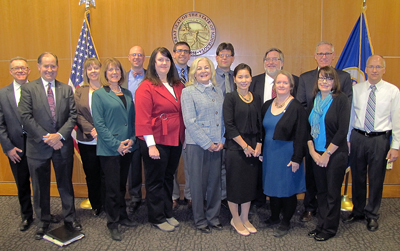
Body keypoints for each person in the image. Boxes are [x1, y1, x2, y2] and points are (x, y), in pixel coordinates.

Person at [18, 52, 81, 240]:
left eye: (53, 66)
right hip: (38, 147)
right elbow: (25, 116)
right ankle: (43, 221)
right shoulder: (29, 89)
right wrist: (47, 137)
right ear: (38, 67)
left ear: (57, 67)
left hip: (62, 145)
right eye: (46, 66)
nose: (49, 69)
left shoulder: (65, 89)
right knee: (39, 187)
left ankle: (70, 218)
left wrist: (59, 135)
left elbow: (72, 115)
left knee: (65, 185)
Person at [296, 41, 353, 222]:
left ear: (333, 56)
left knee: (330, 186)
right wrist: (310, 137)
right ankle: (311, 208)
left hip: (333, 142)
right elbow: (302, 107)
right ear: (315, 56)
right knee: (313, 177)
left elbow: (345, 111)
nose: (323, 57)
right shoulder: (305, 78)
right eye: (320, 54)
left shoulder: (344, 78)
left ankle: (328, 220)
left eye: (327, 54)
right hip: (311, 138)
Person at [344, 55, 400, 232]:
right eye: (371, 67)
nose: (374, 70)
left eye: (378, 67)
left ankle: (372, 214)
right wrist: (348, 138)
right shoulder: (357, 89)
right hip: (358, 137)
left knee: (376, 179)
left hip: (379, 140)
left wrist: (395, 145)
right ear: (365, 69)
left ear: (384, 69)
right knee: (358, 176)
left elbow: (397, 119)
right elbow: (351, 116)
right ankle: (358, 211)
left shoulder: (393, 91)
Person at [135, 47, 185, 232]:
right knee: (155, 180)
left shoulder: (178, 85)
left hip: (175, 139)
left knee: (167, 178)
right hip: (155, 141)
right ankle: (156, 217)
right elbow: (143, 117)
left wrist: (184, 137)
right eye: (159, 60)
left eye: (166, 60)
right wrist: (151, 145)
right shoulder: (146, 86)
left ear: (171, 63)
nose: (164, 63)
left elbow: (183, 113)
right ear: (153, 64)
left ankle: (166, 213)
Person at [92, 58, 137, 241]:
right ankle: (112, 223)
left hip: (126, 148)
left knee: (121, 186)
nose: (114, 72)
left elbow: (132, 121)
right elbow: (99, 124)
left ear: (121, 73)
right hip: (110, 149)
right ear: (105, 73)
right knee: (111, 188)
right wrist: (116, 144)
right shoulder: (99, 94)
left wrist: (131, 141)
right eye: (110, 70)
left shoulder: (126, 93)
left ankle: (123, 216)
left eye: (117, 69)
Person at [250, 48, 299, 210]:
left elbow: (300, 128)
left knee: (286, 183)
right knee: (267, 179)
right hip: (265, 144)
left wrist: (298, 156)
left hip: (287, 146)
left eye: (275, 59)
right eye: (267, 59)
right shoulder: (254, 82)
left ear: (282, 63)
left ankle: (285, 217)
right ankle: (266, 208)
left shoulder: (296, 85)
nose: (271, 62)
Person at [181, 57, 225, 234]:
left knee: (215, 183)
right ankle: (200, 220)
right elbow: (189, 122)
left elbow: (222, 119)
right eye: (199, 69)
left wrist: (221, 140)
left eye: (206, 67)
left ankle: (213, 218)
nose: (203, 71)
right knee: (197, 185)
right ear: (194, 73)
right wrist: (207, 143)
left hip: (217, 145)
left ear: (211, 70)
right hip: (197, 145)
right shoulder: (188, 92)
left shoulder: (218, 91)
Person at [261, 70, 307, 237]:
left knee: (287, 188)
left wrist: (297, 158)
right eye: (278, 82)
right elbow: (262, 130)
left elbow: (302, 135)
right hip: (270, 154)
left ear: (291, 86)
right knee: (273, 186)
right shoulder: (267, 105)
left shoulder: (296, 107)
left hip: (287, 154)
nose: (281, 85)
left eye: (285, 83)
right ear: (274, 86)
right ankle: (274, 217)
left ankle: (286, 221)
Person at [306, 66, 350, 241]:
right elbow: (308, 129)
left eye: (328, 78)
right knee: (321, 192)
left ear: (334, 82)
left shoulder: (341, 100)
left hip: (335, 154)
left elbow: (342, 131)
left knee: (332, 192)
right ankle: (321, 225)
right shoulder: (314, 100)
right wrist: (313, 152)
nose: (324, 81)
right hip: (317, 153)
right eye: (321, 78)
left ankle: (330, 229)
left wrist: (327, 154)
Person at [223, 63, 262, 236]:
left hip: (253, 148)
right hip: (236, 148)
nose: (244, 80)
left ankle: (245, 218)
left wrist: (258, 144)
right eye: (240, 77)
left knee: (249, 185)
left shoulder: (257, 97)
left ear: (251, 79)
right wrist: (244, 146)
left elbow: (260, 125)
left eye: (247, 76)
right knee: (235, 185)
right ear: (234, 79)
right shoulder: (230, 98)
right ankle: (235, 219)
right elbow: (229, 126)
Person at [0, 57, 34, 231]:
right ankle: (27, 216)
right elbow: (0, 124)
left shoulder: (37, 90)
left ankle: (45, 214)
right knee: (22, 183)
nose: (20, 71)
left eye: (23, 68)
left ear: (29, 70)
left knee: (39, 182)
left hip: (37, 146)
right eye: (16, 68)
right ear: (10, 71)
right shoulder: (2, 94)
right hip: (15, 147)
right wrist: (8, 147)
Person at [74, 58, 104, 217]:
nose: (93, 71)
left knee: (106, 173)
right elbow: (76, 114)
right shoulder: (80, 91)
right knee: (91, 173)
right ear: (85, 72)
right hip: (87, 140)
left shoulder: (108, 89)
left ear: (101, 69)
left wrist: (102, 132)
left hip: (106, 140)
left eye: (96, 67)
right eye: (89, 68)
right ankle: (96, 203)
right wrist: (92, 130)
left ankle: (107, 202)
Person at [121, 45, 146, 214]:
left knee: (152, 163)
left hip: (148, 125)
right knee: (133, 164)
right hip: (129, 126)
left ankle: (153, 197)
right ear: (129, 58)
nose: (136, 57)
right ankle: (135, 197)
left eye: (140, 54)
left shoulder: (151, 77)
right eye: (133, 55)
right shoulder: (121, 79)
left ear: (144, 58)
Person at [172, 41, 192, 209]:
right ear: (174, 53)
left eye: (186, 51)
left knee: (190, 162)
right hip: (173, 124)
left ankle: (191, 195)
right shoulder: (166, 74)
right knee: (171, 163)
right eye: (179, 51)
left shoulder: (196, 73)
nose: (182, 54)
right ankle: (173, 195)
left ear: (190, 55)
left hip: (192, 125)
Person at [215, 42, 235, 205]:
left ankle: (231, 196)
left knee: (231, 164)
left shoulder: (238, 77)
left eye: (227, 55)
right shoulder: (209, 77)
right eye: (222, 55)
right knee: (217, 164)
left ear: (232, 58)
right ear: (216, 58)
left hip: (234, 128)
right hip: (216, 127)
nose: (224, 58)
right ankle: (220, 197)